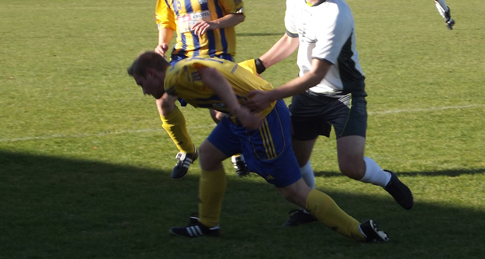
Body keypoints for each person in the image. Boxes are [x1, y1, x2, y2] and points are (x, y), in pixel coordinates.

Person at [128, 52, 389, 243]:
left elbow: (211, 75)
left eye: (141, 84)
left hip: (261, 116)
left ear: (152, 74)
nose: (143, 92)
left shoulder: (174, 76)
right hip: (242, 115)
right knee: (208, 155)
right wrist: (230, 109)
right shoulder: (180, 67)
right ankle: (208, 225)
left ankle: (360, 231)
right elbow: (214, 79)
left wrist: (239, 110)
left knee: (293, 192)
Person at [246, 0, 414, 228]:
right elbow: (291, 39)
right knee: (294, 164)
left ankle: (387, 179)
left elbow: (315, 73)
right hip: (308, 94)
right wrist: (257, 66)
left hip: (343, 96)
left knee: (350, 166)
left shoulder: (336, 15)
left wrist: (270, 95)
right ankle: (313, 208)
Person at [154, 0, 249, 179]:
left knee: (219, 113)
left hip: (217, 55)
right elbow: (166, 22)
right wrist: (162, 44)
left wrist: (214, 23)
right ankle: (186, 152)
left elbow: (238, 14)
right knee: (163, 101)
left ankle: (238, 153)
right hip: (183, 56)